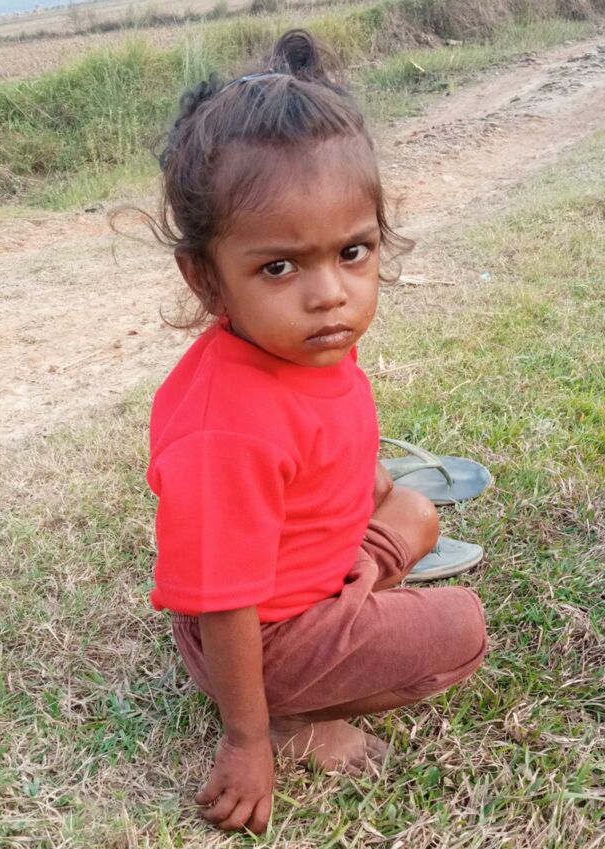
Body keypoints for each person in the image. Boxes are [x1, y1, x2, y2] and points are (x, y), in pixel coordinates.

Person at [147, 29, 487, 836]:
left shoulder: (303, 342)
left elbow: (330, 444)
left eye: (352, 251)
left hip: (311, 576)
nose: (329, 293)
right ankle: (300, 718)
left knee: (415, 512)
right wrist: (248, 737)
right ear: (206, 277)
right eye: (280, 267)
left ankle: (347, 605)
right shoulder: (223, 429)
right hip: (259, 637)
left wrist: (366, 491)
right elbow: (228, 599)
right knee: (462, 627)